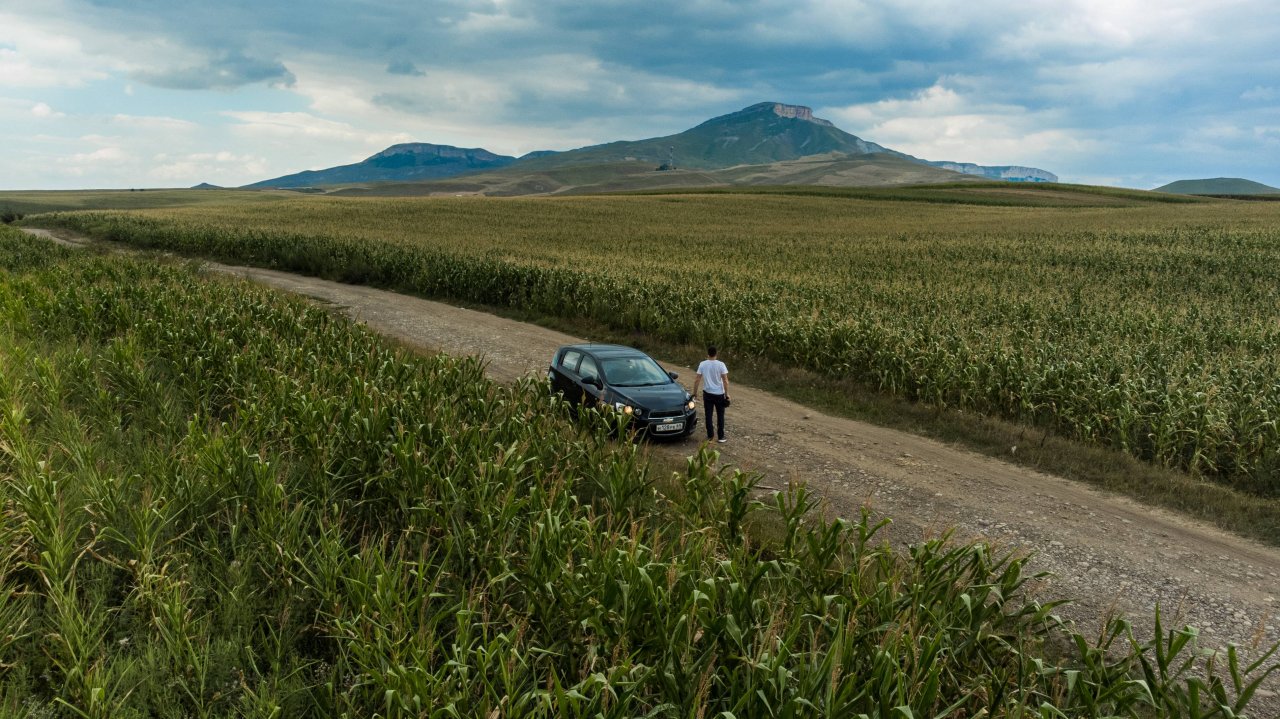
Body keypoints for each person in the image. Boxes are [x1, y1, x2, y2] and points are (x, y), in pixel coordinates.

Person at [692, 345, 730, 443]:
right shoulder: (721, 364)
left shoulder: (702, 364)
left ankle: (710, 436)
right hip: (719, 394)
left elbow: (697, 379)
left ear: (707, 354)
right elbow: (725, 381)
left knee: (708, 415)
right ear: (716, 354)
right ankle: (721, 437)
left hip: (707, 393)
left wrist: (695, 393)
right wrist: (727, 394)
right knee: (720, 415)